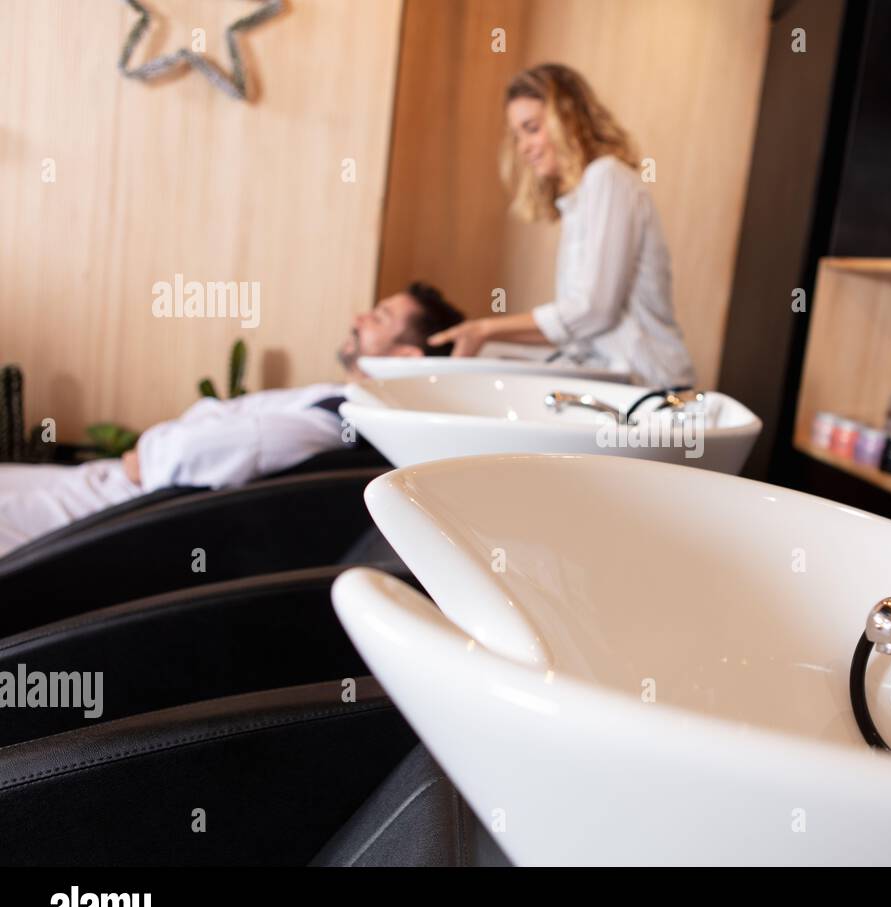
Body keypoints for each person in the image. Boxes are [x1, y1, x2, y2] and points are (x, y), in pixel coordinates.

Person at [0, 283, 461, 558]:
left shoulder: (335, 420)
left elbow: (209, 447)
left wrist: (150, 452)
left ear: (405, 356)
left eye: (378, 317)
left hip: (117, 499)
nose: (360, 317)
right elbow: (220, 417)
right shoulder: (337, 397)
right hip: (113, 477)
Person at [428, 63, 696, 390]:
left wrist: (486, 329)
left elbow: (594, 311)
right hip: (620, 382)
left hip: (651, 385)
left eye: (532, 128)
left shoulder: (607, 178)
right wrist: (489, 339)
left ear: (567, 119)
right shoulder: (579, 200)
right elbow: (577, 328)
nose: (524, 147)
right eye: (517, 135)